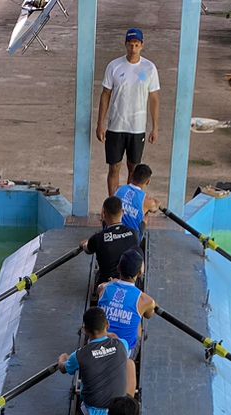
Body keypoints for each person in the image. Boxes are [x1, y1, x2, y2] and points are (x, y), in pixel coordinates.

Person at [95, 28, 162, 197]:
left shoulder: (149, 68)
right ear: (125, 45)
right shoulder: (114, 66)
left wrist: (155, 127)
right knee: (114, 167)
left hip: (137, 127)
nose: (133, 49)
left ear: (142, 46)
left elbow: (154, 98)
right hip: (116, 125)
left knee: (133, 169)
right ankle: (113, 204)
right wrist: (100, 124)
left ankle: (127, 203)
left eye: (136, 45)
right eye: (130, 45)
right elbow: (105, 95)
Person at [58, 306, 132, 415]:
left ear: (85, 330)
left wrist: (62, 358)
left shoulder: (78, 356)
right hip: (118, 411)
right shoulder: (122, 344)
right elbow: (118, 344)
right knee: (130, 364)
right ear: (107, 325)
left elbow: (63, 368)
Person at [96, 249, 157, 360]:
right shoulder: (146, 300)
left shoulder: (103, 288)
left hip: (97, 350)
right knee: (138, 320)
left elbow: (100, 287)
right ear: (140, 273)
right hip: (123, 354)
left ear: (118, 268)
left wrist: (111, 282)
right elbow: (149, 315)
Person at [82, 196, 139, 286]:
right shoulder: (134, 233)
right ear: (123, 212)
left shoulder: (98, 238)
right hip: (129, 284)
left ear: (103, 215)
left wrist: (84, 243)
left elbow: (87, 249)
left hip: (106, 285)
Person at [114, 163, 159, 236]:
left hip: (114, 233)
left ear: (132, 176)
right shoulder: (147, 201)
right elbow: (155, 208)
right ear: (148, 182)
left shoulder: (118, 189)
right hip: (132, 240)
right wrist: (155, 201)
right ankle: (139, 239)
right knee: (145, 215)